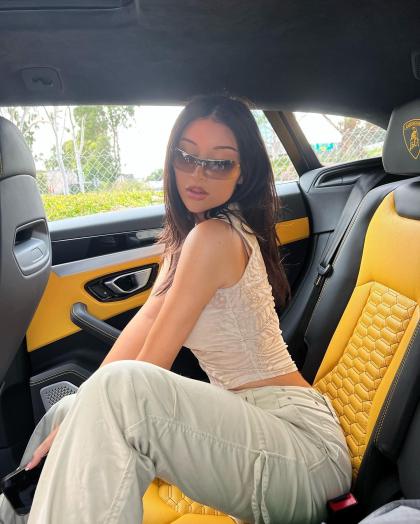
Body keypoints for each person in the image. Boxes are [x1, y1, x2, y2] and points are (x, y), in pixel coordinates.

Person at [1, 95, 352, 524]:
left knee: (114, 394)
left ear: (243, 172)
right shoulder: (187, 240)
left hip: (302, 450)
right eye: (187, 156)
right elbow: (144, 324)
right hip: (254, 428)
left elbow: (153, 358)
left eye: (219, 163)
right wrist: (75, 414)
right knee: (67, 409)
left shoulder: (214, 237)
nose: (198, 173)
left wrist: (90, 408)